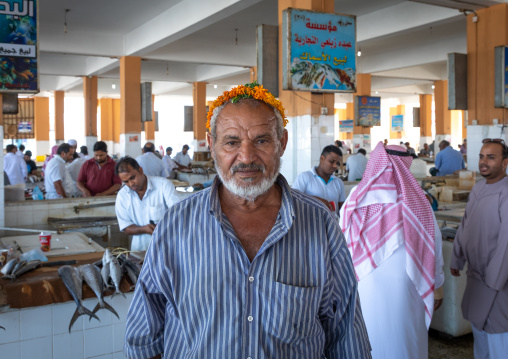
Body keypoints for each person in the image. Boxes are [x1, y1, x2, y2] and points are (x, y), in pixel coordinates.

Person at [124, 82, 371, 358]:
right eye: (231, 142)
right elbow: (144, 339)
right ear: (211, 144)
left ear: (282, 143)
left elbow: (346, 336)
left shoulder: (320, 225)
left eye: (262, 140)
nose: (246, 157)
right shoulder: (176, 225)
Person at [339, 142, 444, 359]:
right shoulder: (418, 202)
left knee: (369, 339)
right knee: (404, 344)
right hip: (409, 286)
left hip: (363, 285)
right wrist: (438, 283)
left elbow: (341, 242)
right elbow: (434, 244)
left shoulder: (355, 199)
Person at [450, 138, 508, 358]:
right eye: (482, 156)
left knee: (498, 337)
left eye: (491, 157)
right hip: (477, 280)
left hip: (497, 284)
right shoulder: (479, 187)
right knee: (480, 337)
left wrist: (493, 281)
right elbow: (466, 224)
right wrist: (457, 258)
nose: (484, 162)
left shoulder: (506, 191)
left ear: (505, 163)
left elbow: (506, 242)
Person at [115, 156, 179, 251]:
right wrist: (144, 229)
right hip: (139, 250)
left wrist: (165, 225)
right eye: (126, 182)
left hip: (167, 247)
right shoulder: (122, 195)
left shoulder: (163, 185)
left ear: (140, 170)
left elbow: (178, 213)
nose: (131, 184)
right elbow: (126, 227)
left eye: (132, 178)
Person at [292, 145, 346, 215]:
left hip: (332, 224)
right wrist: (317, 201)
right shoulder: (305, 177)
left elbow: (342, 211)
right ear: (322, 158)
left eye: (337, 163)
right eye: (332, 161)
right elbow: (293, 198)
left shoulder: (339, 183)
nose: (335, 166)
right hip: (310, 224)